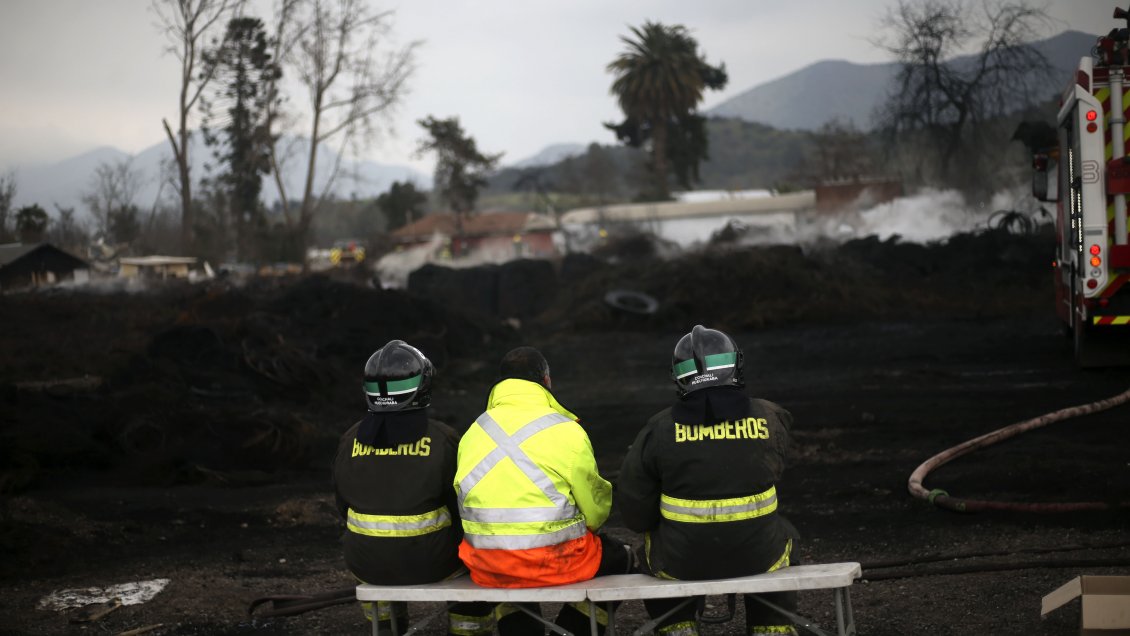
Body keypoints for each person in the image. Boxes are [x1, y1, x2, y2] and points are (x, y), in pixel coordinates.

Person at [616, 325, 799, 636]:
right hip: (759, 555)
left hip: (681, 561)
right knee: (787, 537)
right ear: (735, 364)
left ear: (678, 375)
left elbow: (634, 511)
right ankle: (772, 627)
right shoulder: (771, 417)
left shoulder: (658, 429)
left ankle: (677, 626)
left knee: (649, 547)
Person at [454, 346, 635, 636]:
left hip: (488, 562)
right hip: (556, 560)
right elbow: (595, 511)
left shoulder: (474, 431)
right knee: (621, 558)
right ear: (546, 381)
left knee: (508, 578)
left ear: (500, 384)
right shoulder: (567, 430)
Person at [332, 339, 493, 636]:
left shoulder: (349, 440)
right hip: (435, 563)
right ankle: (468, 628)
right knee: (480, 562)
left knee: (374, 552)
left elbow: (342, 505)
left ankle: (385, 627)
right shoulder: (443, 439)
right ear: (423, 386)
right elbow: (467, 507)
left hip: (365, 563)